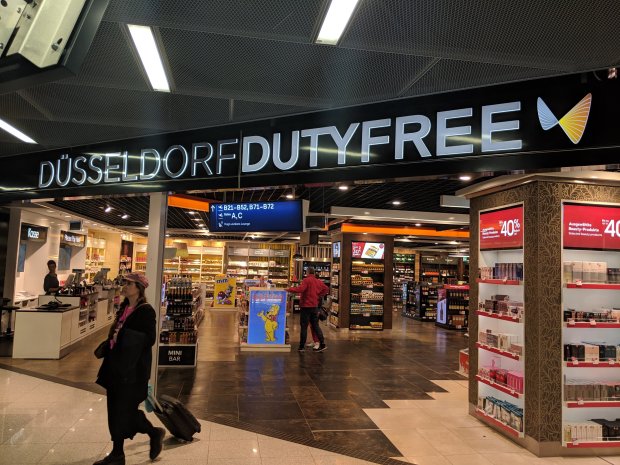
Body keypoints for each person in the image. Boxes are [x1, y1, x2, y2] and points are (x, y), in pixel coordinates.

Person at [94, 273, 165, 465]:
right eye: (124, 283)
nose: (124, 286)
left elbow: (149, 339)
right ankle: (120, 452)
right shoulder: (124, 308)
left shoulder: (146, 311)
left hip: (132, 371)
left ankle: (151, 434)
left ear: (138, 288)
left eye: (128, 283)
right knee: (115, 410)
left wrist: (124, 336)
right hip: (115, 367)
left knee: (124, 411)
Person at [287, 267, 328, 352]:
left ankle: (302, 346)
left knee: (304, 327)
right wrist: (318, 295)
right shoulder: (318, 281)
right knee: (315, 325)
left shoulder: (306, 280)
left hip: (306, 306)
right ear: (314, 273)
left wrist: (289, 289)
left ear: (307, 272)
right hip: (314, 306)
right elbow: (326, 289)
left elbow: (300, 289)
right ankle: (322, 344)